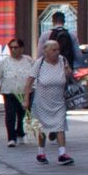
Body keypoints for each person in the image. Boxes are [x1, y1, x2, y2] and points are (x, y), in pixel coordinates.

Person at [32, 26, 74, 165]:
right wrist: (26, 98)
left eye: (58, 50)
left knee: (60, 125)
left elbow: (69, 76)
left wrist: (68, 71)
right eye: (53, 50)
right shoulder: (40, 63)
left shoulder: (62, 60)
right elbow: (29, 80)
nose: (56, 53)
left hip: (58, 99)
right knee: (42, 127)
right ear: (46, 52)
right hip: (42, 100)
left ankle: (62, 153)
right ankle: (41, 152)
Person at [0, 37, 36, 146]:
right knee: (10, 114)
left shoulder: (28, 60)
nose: (13, 50)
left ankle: (20, 132)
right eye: (11, 48)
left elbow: (34, 76)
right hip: (9, 92)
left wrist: (35, 88)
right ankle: (11, 138)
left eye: (16, 47)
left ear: (21, 48)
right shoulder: (5, 61)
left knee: (22, 114)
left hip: (25, 92)